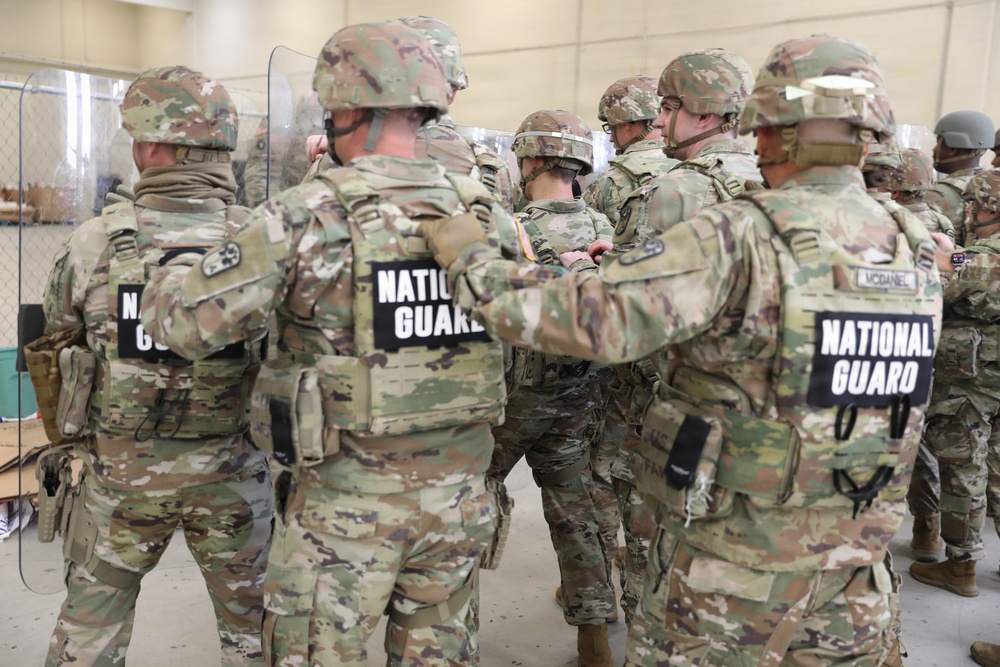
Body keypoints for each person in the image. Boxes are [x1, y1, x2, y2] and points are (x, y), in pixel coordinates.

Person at [418, 34, 941, 666]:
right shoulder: (912, 243)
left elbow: (592, 322)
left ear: (768, 129)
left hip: (738, 568)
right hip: (859, 567)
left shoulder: (740, 233)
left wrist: (471, 257)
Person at [140, 23, 510, 667]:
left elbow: (182, 327)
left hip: (343, 516)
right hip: (457, 506)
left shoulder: (303, 215)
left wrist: (175, 260)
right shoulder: (487, 216)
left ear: (341, 108)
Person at [42, 66, 273, 666]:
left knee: (89, 631)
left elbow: (59, 338)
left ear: (154, 147)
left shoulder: (94, 242)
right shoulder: (264, 240)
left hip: (120, 481)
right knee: (258, 634)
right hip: (236, 477)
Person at [494, 108, 617, 666]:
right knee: (574, 506)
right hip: (581, 394)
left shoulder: (511, 227)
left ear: (534, 160)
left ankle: (445, 618)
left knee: (469, 496)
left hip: (517, 397)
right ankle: (593, 633)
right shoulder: (602, 228)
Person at [910, 168, 1000, 599]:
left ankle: (961, 566)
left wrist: (945, 253)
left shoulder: (980, 256)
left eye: (975, 205)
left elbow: (958, 268)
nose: (969, 212)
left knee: (963, 466)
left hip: (972, 382)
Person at [611, 48, 762, 255]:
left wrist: (580, 263)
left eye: (668, 110)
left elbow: (620, 283)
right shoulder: (771, 176)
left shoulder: (666, 193)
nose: (658, 122)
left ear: (703, 116)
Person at [583, 75, 678, 225]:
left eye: (612, 127)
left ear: (626, 124)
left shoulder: (607, 182)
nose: (611, 139)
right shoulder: (690, 163)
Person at [925, 110, 995, 240]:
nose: (934, 149)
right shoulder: (993, 184)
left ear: (952, 149)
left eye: (938, 142)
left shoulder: (938, 194)